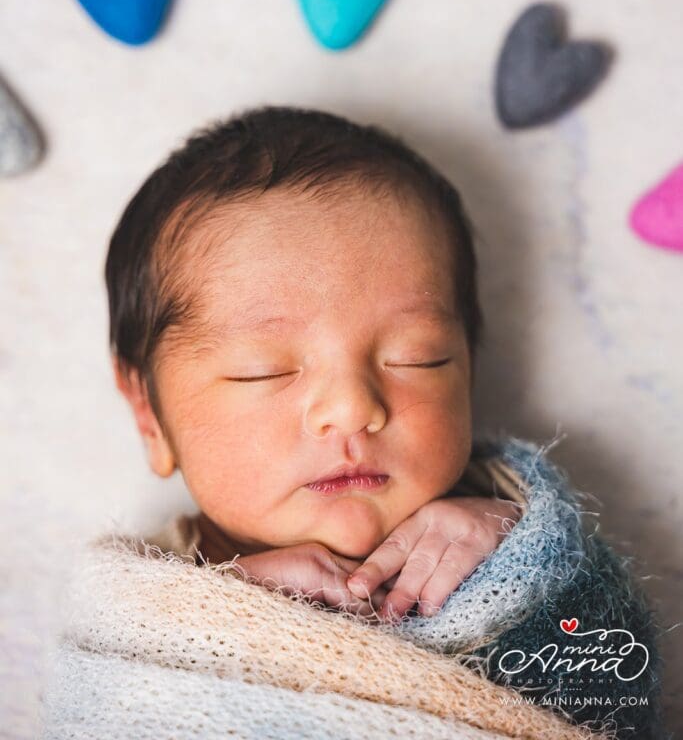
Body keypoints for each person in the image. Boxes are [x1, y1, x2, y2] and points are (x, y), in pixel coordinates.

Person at [54, 105, 663, 738]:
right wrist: (224, 609)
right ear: (149, 415)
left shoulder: (510, 540)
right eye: (263, 371)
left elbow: (618, 686)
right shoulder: (143, 608)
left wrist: (519, 547)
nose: (352, 408)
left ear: (469, 375)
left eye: (417, 358)